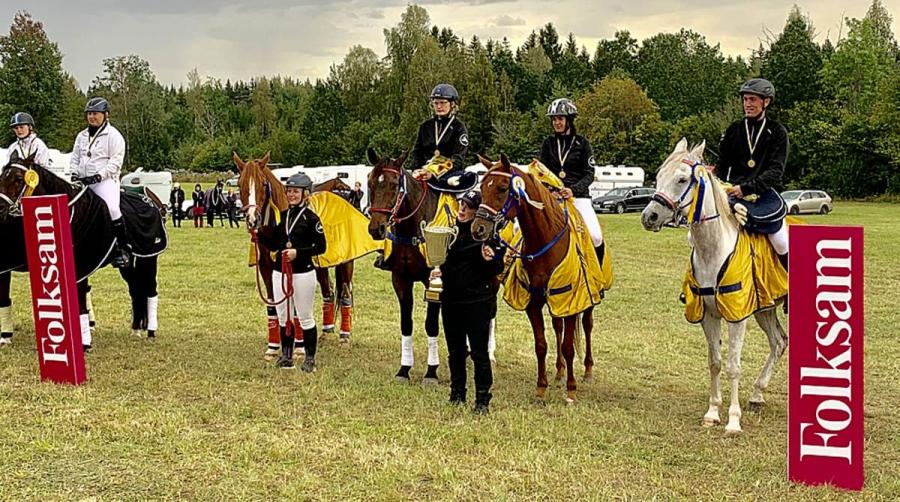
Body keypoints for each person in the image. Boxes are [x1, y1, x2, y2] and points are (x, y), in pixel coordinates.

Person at [430, 190, 504, 414]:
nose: (461, 210)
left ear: (476, 211)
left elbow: (497, 268)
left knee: (479, 352)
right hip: (451, 300)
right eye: (461, 205)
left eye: (467, 206)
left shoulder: (486, 237)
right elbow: (439, 262)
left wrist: (489, 259)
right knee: (455, 350)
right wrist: (435, 272)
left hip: (477, 302)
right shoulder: (448, 235)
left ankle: (482, 398)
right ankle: (457, 392)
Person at [715, 78, 790, 270]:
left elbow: (775, 171)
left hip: (764, 194)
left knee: (780, 241)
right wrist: (716, 180)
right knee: (697, 235)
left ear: (766, 102)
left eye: (753, 100)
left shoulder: (778, 132)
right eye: (745, 99)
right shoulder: (733, 130)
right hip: (733, 193)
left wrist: (746, 188)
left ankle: (793, 286)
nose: (748, 104)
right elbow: (722, 165)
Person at [257, 172, 327, 371]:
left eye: (296, 191)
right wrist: (259, 234)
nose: (291, 195)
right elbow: (275, 244)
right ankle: (286, 355)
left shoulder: (312, 218)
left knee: (304, 316)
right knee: (283, 316)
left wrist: (299, 253)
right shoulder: (285, 216)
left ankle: (310, 358)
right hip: (280, 272)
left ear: (305, 193)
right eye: (289, 191)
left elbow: (321, 247)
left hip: (303, 273)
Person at [538, 98, 604, 260]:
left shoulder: (583, 144)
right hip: (553, 197)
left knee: (596, 237)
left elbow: (589, 174)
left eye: (560, 119)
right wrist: (550, 191)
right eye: (554, 120)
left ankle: (597, 277)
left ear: (569, 120)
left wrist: (572, 190)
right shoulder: (548, 144)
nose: (556, 123)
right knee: (523, 229)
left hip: (578, 198)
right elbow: (541, 172)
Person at [69, 97, 131, 268]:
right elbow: (75, 158)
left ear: (106, 115)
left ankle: (122, 248)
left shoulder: (114, 136)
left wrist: (98, 176)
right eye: (89, 114)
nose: (92, 117)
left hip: (104, 182)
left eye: (95, 114)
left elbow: (115, 162)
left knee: (112, 208)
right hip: (82, 181)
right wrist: (74, 174)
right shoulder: (81, 136)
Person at [409, 83, 469, 179]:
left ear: (452, 104)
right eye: (436, 103)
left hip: (450, 175)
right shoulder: (425, 126)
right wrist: (417, 169)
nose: (439, 107)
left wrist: (434, 173)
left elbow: (458, 159)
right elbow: (417, 152)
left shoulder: (459, 128)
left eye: (443, 103)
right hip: (424, 172)